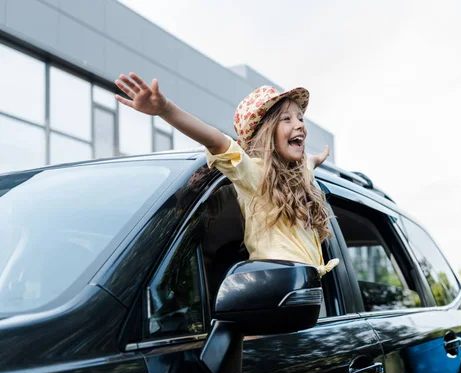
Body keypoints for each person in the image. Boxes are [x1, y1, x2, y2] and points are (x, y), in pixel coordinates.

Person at [114, 73, 339, 276]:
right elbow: (216, 140)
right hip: (277, 298)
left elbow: (309, 163)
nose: (299, 124)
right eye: (287, 119)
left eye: (300, 117)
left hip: (306, 296)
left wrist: (320, 157)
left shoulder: (302, 175)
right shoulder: (256, 176)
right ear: (267, 133)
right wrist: (166, 110)